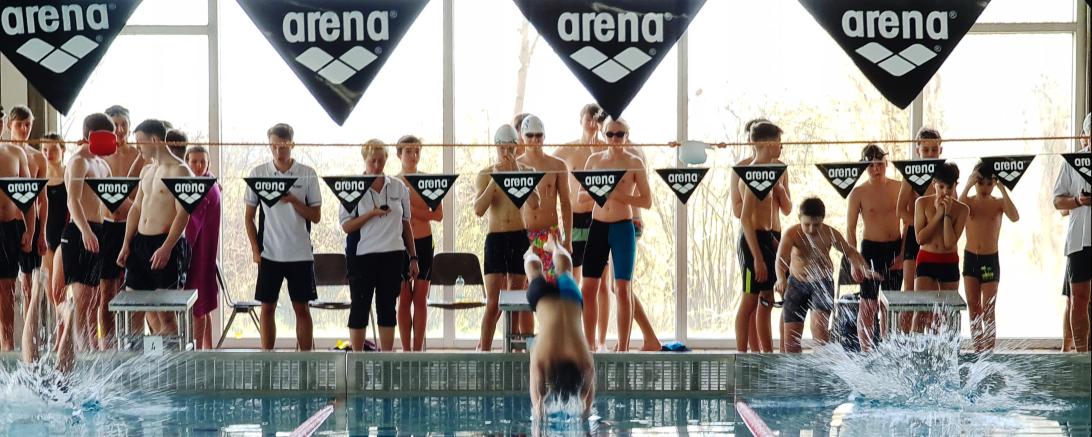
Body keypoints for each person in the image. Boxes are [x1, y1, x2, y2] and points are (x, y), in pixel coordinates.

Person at [244, 123, 322, 351]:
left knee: (302, 309)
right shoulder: (259, 174)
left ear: (292, 145)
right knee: (267, 307)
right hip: (270, 252)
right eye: (274, 146)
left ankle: (306, 360)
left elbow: (316, 216)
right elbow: (249, 217)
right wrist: (255, 249)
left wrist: (294, 200)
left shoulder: (307, 174)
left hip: (300, 253)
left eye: (283, 146)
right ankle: (267, 359)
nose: (279, 151)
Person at [578, 118, 652, 352]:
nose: (614, 139)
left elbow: (647, 200)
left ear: (626, 136)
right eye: (610, 134)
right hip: (598, 227)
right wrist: (601, 192)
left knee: (622, 288)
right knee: (588, 288)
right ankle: (589, 346)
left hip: (622, 227)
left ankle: (623, 349)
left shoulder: (634, 162)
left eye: (619, 134)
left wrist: (617, 195)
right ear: (604, 135)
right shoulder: (594, 161)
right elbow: (580, 196)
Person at [116, 120, 193, 338]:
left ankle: (171, 356)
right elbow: (136, 208)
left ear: (154, 140)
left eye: (140, 141)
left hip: (165, 243)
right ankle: (143, 355)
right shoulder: (147, 170)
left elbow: (183, 213)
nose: (137, 146)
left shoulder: (180, 171)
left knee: (165, 314)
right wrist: (126, 243)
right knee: (135, 307)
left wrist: (167, 247)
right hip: (141, 243)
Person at [341, 141, 417, 352]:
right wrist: (370, 214)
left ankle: (385, 360)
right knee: (360, 308)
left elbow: (406, 223)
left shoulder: (398, 187)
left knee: (387, 309)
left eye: (381, 161)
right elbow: (346, 226)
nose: (376, 166)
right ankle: (357, 360)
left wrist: (413, 257)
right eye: (372, 161)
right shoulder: (353, 187)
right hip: (362, 256)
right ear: (364, 160)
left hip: (392, 255)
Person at [774, 198, 877, 353]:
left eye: (816, 225)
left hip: (822, 284)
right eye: (806, 224)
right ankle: (794, 369)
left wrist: (865, 269)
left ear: (822, 219)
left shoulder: (830, 233)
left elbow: (850, 252)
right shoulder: (792, 234)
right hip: (797, 283)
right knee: (791, 342)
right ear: (799, 218)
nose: (811, 229)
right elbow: (780, 259)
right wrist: (781, 278)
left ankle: (820, 368)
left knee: (820, 334)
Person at [473, 125, 539, 351]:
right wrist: (496, 179)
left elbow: (535, 203)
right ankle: (484, 353)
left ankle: (515, 354)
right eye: (502, 148)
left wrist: (517, 173)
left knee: (517, 301)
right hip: (496, 239)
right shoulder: (485, 174)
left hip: (519, 237)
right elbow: (478, 209)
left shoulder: (527, 172)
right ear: (496, 147)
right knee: (493, 303)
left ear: (517, 147)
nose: (506, 152)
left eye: (510, 148)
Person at [554, 103, 613, 350]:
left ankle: (600, 340)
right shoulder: (567, 151)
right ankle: (575, 336)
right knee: (574, 281)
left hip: (599, 219)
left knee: (602, 283)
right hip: (575, 220)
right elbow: (542, 166)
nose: (592, 124)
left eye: (596, 120)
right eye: (588, 119)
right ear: (580, 120)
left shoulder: (605, 150)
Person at [735, 120, 790, 353]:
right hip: (752, 242)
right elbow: (745, 219)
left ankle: (767, 355)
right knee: (749, 300)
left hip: (767, 238)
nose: (781, 146)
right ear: (768, 143)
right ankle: (741, 355)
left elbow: (781, 209)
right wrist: (757, 257)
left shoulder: (770, 172)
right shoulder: (752, 174)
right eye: (779, 142)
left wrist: (775, 244)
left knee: (767, 297)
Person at [61, 113, 114, 351]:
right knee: (82, 300)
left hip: (99, 230)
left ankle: (91, 350)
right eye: (108, 136)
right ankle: (80, 355)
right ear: (93, 136)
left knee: (94, 300)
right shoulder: (78, 161)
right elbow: (73, 200)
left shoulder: (103, 164)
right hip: (79, 232)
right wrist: (85, 231)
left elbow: (114, 200)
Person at [526, 234, 594, 418]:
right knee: (534, 273)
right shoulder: (544, 355)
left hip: (570, 299)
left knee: (565, 269)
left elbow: (589, 381)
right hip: (544, 300)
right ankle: (530, 254)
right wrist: (539, 411)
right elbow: (537, 399)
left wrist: (586, 408)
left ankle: (553, 245)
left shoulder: (582, 358)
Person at [846, 144, 903, 351]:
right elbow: (850, 229)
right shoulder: (858, 193)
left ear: (886, 163)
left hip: (895, 249)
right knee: (868, 304)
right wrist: (854, 262)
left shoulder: (899, 187)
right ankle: (866, 352)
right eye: (870, 165)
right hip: (870, 251)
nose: (876, 169)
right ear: (864, 168)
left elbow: (909, 224)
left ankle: (888, 351)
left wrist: (903, 255)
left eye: (879, 164)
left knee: (889, 305)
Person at [959, 161, 1019, 352]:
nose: (984, 188)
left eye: (989, 183)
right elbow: (955, 210)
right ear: (974, 181)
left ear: (994, 182)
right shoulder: (968, 202)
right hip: (971, 258)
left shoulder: (999, 203)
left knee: (988, 308)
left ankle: (989, 353)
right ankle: (978, 350)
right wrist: (968, 185)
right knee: (973, 307)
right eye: (980, 183)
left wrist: (1002, 188)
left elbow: (1015, 217)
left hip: (989, 260)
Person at [99, 105, 145, 348]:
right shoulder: (99, 156)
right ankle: (108, 347)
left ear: (129, 125)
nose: (119, 129)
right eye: (114, 125)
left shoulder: (139, 155)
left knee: (134, 289)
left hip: (132, 227)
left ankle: (135, 346)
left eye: (123, 124)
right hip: (107, 227)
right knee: (106, 291)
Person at [909, 162, 968, 333]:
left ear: (955, 185)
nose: (945, 192)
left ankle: (947, 348)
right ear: (934, 183)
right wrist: (938, 215)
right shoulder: (921, 203)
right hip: (927, 259)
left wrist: (947, 214)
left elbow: (949, 243)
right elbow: (920, 239)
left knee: (947, 312)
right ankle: (914, 348)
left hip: (949, 261)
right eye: (941, 187)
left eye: (949, 187)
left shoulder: (962, 209)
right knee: (921, 311)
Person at [396, 136, 440, 351]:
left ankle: (417, 351)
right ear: (399, 154)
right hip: (401, 244)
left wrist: (412, 211)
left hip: (424, 241)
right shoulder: (393, 183)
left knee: (420, 300)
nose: (413, 156)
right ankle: (406, 352)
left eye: (417, 151)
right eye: (408, 151)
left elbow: (438, 215)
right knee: (404, 299)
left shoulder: (427, 181)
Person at [1053, 112, 1091, 352]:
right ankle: (1081, 357)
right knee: (1077, 299)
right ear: (1085, 136)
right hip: (1079, 240)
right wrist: (1078, 200)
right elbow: (1057, 201)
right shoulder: (1072, 162)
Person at [6, 107, 48, 317]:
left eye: (28, 124)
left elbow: (42, 199)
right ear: (9, 126)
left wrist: (41, 233)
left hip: (30, 223)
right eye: (19, 124)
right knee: (9, 282)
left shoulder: (38, 157)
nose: (24, 129)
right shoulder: (5, 154)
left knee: (31, 283)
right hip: (8, 223)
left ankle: (32, 330)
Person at [897, 128, 944, 300]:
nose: (930, 154)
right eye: (926, 150)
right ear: (918, 151)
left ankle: (931, 321)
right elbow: (900, 210)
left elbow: (954, 206)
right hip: (914, 235)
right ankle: (907, 321)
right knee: (910, 290)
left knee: (934, 292)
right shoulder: (911, 174)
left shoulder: (945, 174)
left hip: (938, 236)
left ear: (941, 149)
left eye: (934, 149)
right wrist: (921, 225)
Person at [183, 145, 221, 350]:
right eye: (194, 161)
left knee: (198, 308)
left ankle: (197, 355)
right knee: (203, 307)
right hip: (205, 256)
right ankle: (208, 350)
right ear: (187, 162)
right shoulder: (210, 181)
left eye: (202, 162)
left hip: (199, 256)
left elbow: (191, 228)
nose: (198, 166)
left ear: (208, 164)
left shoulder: (202, 188)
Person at [0, 128, 34, 351]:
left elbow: (28, 195)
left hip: (9, 227)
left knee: (7, 287)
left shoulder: (15, 153)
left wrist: (30, 230)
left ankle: (7, 345)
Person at [40, 134, 68, 313]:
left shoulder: (70, 173)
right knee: (51, 295)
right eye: (44, 150)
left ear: (62, 149)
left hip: (66, 236)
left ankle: (66, 326)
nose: (48, 154)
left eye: (53, 149)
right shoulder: (40, 176)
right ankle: (61, 328)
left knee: (61, 292)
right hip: (46, 236)